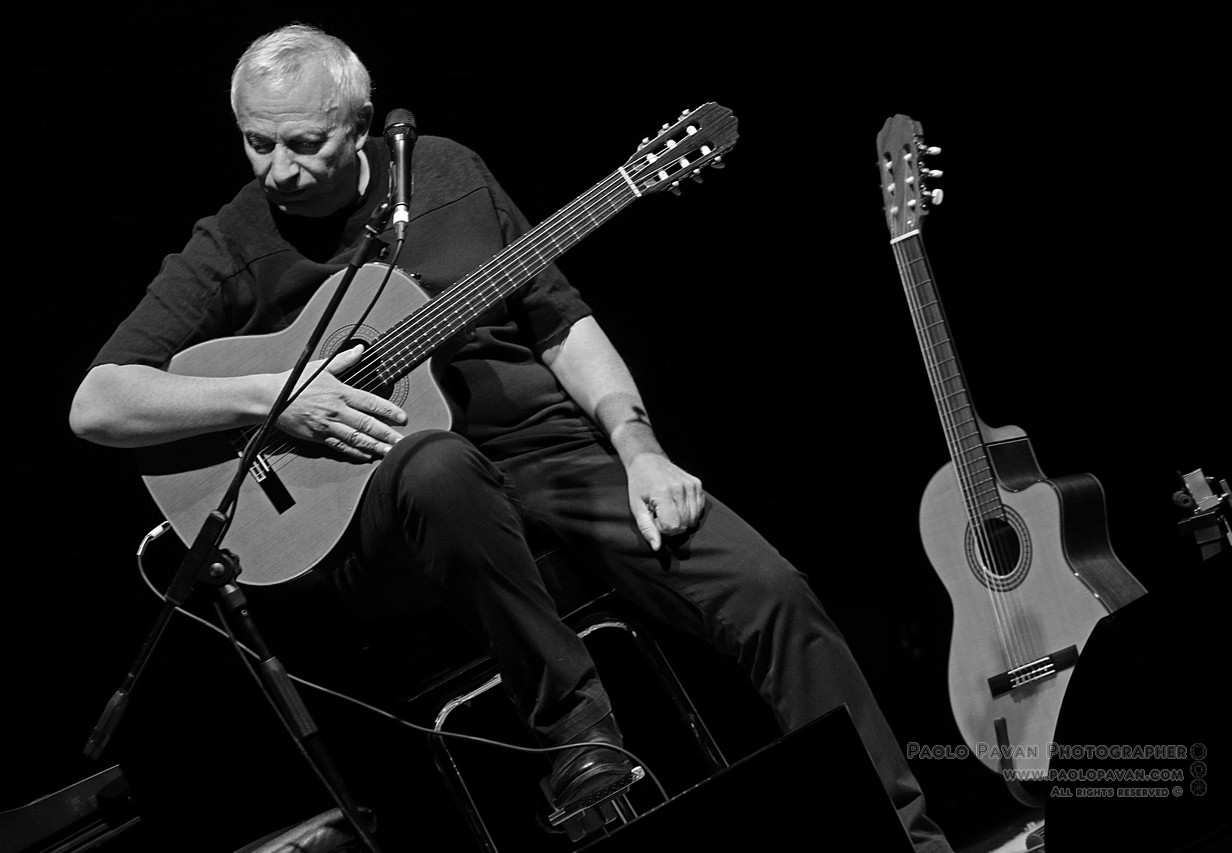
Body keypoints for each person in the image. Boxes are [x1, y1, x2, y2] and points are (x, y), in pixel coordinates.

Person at [68, 24, 952, 852]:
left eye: (304, 143)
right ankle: (579, 739)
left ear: (361, 125)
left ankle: (907, 835)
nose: (280, 169)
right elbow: (99, 402)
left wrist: (640, 450)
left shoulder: (446, 171)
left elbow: (562, 323)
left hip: (544, 452)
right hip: (387, 500)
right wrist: (280, 397)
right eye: (258, 143)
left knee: (769, 590)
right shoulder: (233, 241)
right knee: (439, 464)